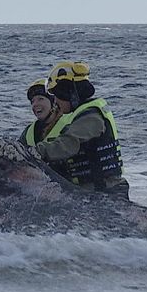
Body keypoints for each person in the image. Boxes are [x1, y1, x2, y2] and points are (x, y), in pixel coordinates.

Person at [32, 61, 130, 198]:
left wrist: (34, 152)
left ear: (67, 92)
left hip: (105, 193)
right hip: (95, 192)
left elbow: (68, 144)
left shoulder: (91, 116)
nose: (56, 101)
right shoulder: (83, 114)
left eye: (57, 95)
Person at [19, 78, 64, 146]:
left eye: (40, 99)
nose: (35, 104)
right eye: (32, 101)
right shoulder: (28, 132)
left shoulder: (70, 124)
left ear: (54, 102)